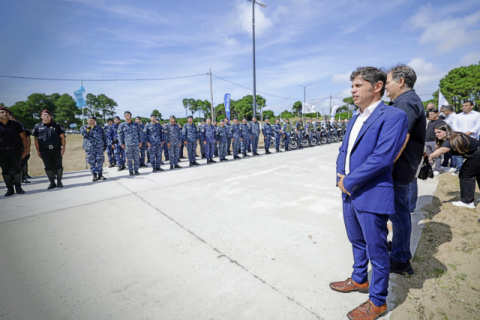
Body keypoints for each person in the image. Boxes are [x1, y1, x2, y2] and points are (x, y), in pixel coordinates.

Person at [333, 66, 408, 320]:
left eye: (357, 85)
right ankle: (358, 279)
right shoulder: (356, 116)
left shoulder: (393, 116)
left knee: (377, 250)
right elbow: (344, 150)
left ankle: (377, 301)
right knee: (356, 240)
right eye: (352, 85)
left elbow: (382, 158)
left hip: (371, 193)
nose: (352, 90)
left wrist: (350, 180)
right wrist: (339, 179)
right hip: (348, 191)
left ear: (377, 87)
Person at [385, 64, 426, 275]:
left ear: (401, 82)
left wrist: (383, 166)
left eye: (388, 82)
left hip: (398, 168)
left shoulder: (406, 103)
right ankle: (399, 248)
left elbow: (400, 139)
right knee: (398, 213)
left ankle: (400, 259)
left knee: (399, 215)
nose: (385, 87)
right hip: (404, 166)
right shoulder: (407, 100)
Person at [428, 124, 479, 209]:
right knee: (477, 174)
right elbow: (439, 147)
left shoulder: (451, 139)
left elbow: (442, 150)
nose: (437, 134)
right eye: (436, 133)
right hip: (476, 154)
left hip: (477, 154)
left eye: (439, 132)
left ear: (446, 131)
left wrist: (430, 156)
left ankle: (467, 201)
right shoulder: (451, 137)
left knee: (466, 174)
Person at [32, 110, 66, 189]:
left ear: (51, 117)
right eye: (45, 115)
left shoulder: (57, 126)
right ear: (41, 116)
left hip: (56, 149)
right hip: (44, 150)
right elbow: (36, 140)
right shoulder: (37, 127)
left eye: (48, 115)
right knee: (48, 166)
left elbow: (62, 138)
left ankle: (59, 181)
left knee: (58, 166)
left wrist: (63, 148)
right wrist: (38, 151)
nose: (46, 116)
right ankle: (52, 182)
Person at [0, 106, 28, 196]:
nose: (5, 114)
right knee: (5, 170)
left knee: (17, 169)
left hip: (15, 151)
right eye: (2, 112)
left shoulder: (16, 125)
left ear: (9, 114)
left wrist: (25, 150)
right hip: (2, 153)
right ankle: (10, 189)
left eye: (6, 112)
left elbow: (23, 137)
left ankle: (18, 187)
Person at [451, 101, 480, 175]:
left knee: (473, 155)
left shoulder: (477, 115)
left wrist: (468, 133)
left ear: (472, 106)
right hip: (460, 138)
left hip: (472, 139)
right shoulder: (458, 116)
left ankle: (473, 169)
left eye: (466, 105)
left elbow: (478, 126)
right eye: (463, 106)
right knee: (460, 154)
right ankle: (459, 169)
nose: (464, 107)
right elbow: (454, 126)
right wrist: (461, 134)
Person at [81, 116, 108, 181]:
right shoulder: (84, 128)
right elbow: (84, 134)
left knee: (100, 161)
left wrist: (105, 144)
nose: (92, 121)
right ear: (87, 121)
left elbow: (104, 136)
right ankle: (94, 175)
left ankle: (100, 175)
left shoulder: (99, 128)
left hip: (99, 147)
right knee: (92, 162)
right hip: (90, 148)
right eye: (91, 120)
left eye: (93, 120)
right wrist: (88, 128)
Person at [118, 111, 142, 176]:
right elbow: (120, 135)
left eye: (130, 115)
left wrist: (140, 141)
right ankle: (130, 171)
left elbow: (140, 133)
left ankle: (136, 170)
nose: (129, 116)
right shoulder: (122, 125)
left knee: (136, 158)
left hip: (136, 144)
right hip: (127, 144)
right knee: (129, 158)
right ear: (125, 116)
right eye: (127, 115)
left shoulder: (136, 124)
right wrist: (121, 143)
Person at [9, 114, 31, 184]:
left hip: (19, 148)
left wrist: (27, 148)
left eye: (12, 118)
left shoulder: (19, 125)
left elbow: (27, 137)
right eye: (10, 118)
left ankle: (23, 177)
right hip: (7, 150)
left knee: (22, 163)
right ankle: (12, 180)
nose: (11, 119)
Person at [425, 109, 446, 175]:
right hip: (427, 141)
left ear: (437, 114)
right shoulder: (430, 122)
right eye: (429, 114)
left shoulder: (441, 122)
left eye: (432, 114)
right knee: (429, 156)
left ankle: (437, 169)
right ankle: (429, 168)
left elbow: (442, 133)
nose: (430, 116)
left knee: (437, 156)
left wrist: (438, 142)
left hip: (435, 141)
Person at [440, 105, 458, 172]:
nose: (443, 112)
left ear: (447, 110)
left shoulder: (454, 116)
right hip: (447, 136)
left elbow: (445, 124)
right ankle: (445, 164)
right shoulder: (448, 116)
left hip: (453, 136)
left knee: (453, 152)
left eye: (443, 111)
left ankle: (453, 165)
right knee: (446, 151)